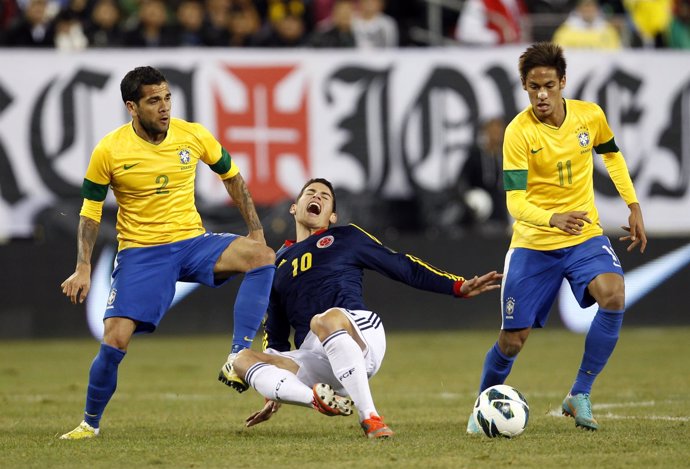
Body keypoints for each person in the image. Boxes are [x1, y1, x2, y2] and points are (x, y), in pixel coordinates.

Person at [58, 66, 276, 440]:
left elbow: (232, 177)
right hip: (142, 253)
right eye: (153, 100)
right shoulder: (109, 150)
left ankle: (238, 356)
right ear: (132, 106)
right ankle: (89, 424)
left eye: (167, 98)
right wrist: (83, 266)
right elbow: (90, 212)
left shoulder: (192, 135)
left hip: (192, 243)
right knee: (115, 339)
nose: (164, 108)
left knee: (262, 256)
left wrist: (255, 231)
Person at [230, 178, 502, 438]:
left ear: (332, 216)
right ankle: (317, 399)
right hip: (316, 357)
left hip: (356, 331)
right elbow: (276, 334)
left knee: (324, 320)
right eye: (310, 193)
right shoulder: (276, 263)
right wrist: (275, 389)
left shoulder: (347, 237)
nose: (317, 197)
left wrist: (457, 286)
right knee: (239, 360)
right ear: (294, 207)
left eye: (325, 197)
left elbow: (401, 265)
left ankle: (370, 417)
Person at [466, 42, 647, 434]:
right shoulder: (518, 132)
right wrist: (552, 218)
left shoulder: (589, 117)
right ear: (525, 87)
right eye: (533, 87)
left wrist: (632, 204)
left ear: (563, 82)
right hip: (534, 243)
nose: (541, 95)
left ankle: (579, 393)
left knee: (614, 294)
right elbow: (515, 201)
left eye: (548, 85)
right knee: (513, 340)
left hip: (583, 236)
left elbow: (612, 155)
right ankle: (483, 406)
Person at [552, 0, 622, 49]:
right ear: (578, 9)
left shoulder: (608, 30)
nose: (589, 10)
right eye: (586, 6)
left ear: (597, 8)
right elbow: (559, 54)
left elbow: (614, 53)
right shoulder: (565, 31)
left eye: (591, 6)